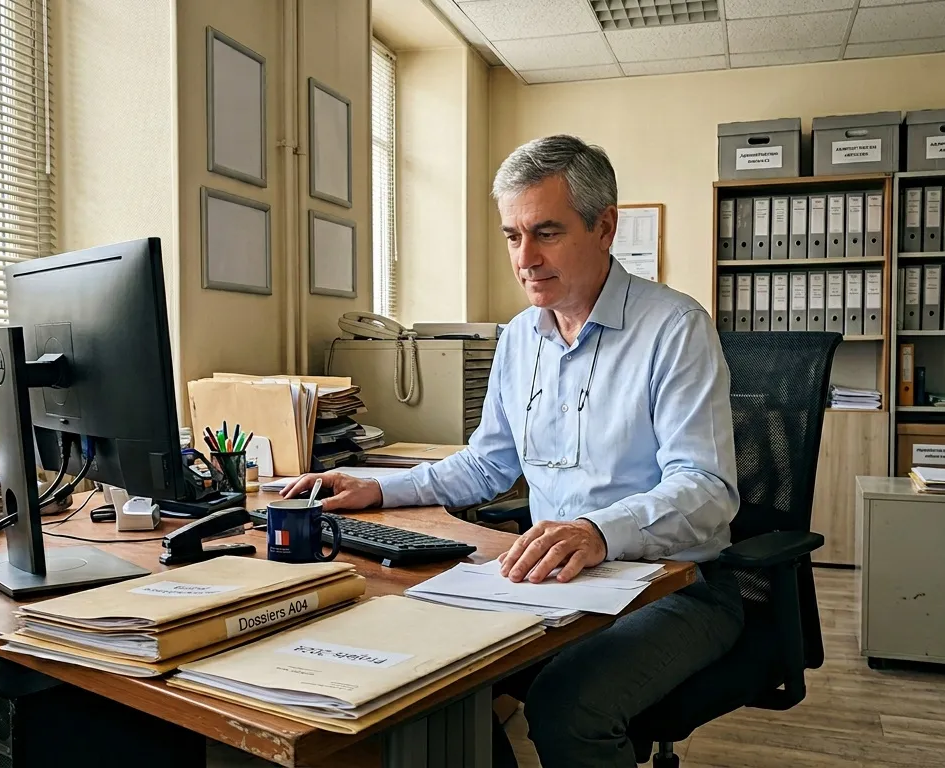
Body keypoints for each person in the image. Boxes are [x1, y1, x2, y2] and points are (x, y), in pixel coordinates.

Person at [282, 134, 744, 768]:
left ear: (604, 226)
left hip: (678, 587)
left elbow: (707, 490)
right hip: (557, 584)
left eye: (546, 233)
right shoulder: (520, 336)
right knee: (425, 675)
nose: (525, 258)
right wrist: (378, 488)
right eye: (512, 236)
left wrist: (597, 532)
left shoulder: (673, 328)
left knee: (565, 705)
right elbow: (488, 464)